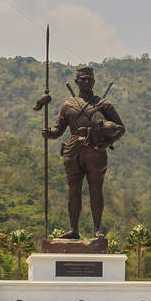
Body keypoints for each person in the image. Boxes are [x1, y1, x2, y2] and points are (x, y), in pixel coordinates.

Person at [41, 64, 125, 240]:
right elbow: (58, 130)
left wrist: (105, 142)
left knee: (96, 189)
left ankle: (97, 230)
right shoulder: (67, 105)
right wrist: (49, 133)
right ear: (76, 81)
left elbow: (120, 129)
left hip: (95, 151)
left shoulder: (103, 105)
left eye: (89, 79)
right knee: (73, 191)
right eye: (83, 79)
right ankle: (73, 230)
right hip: (73, 151)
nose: (86, 82)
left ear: (94, 81)